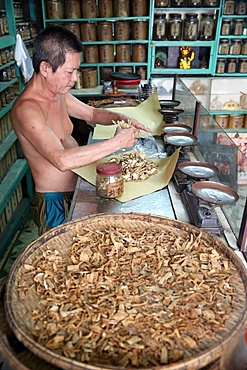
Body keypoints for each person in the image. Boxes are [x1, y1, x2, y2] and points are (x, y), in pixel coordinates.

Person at [11, 25, 151, 235]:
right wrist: (116, 143)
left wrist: (122, 119)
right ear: (46, 68)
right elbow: (61, 160)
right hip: (54, 200)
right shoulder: (27, 110)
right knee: (60, 259)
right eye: (70, 71)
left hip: (78, 187)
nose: (75, 78)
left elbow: (92, 114)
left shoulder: (57, 92)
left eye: (76, 70)